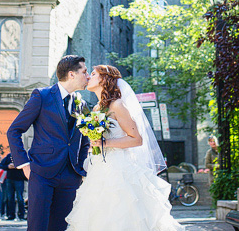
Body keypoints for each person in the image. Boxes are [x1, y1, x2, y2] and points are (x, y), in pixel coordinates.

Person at [65, 65, 182, 231]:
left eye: (93, 74)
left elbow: (137, 139)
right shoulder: (97, 108)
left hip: (119, 168)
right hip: (99, 167)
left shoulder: (117, 105)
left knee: (120, 214)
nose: (89, 77)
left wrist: (105, 143)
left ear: (104, 79)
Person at [7, 55, 91, 231]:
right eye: (84, 72)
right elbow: (14, 130)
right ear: (71, 74)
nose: (88, 76)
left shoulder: (82, 105)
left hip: (71, 177)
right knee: (38, 226)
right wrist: (24, 165)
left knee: (61, 227)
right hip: (42, 173)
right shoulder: (42, 96)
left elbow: (84, 141)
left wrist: (81, 169)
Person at [0, 152, 26, 220]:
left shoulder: (22, 155)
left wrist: (18, 166)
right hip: (10, 179)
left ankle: (21, 215)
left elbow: (27, 166)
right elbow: (1, 165)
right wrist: (8, 166)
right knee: (10, 198)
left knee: (20, 198)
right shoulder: (9, 156)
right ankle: (11, 215)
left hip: (19, 179)